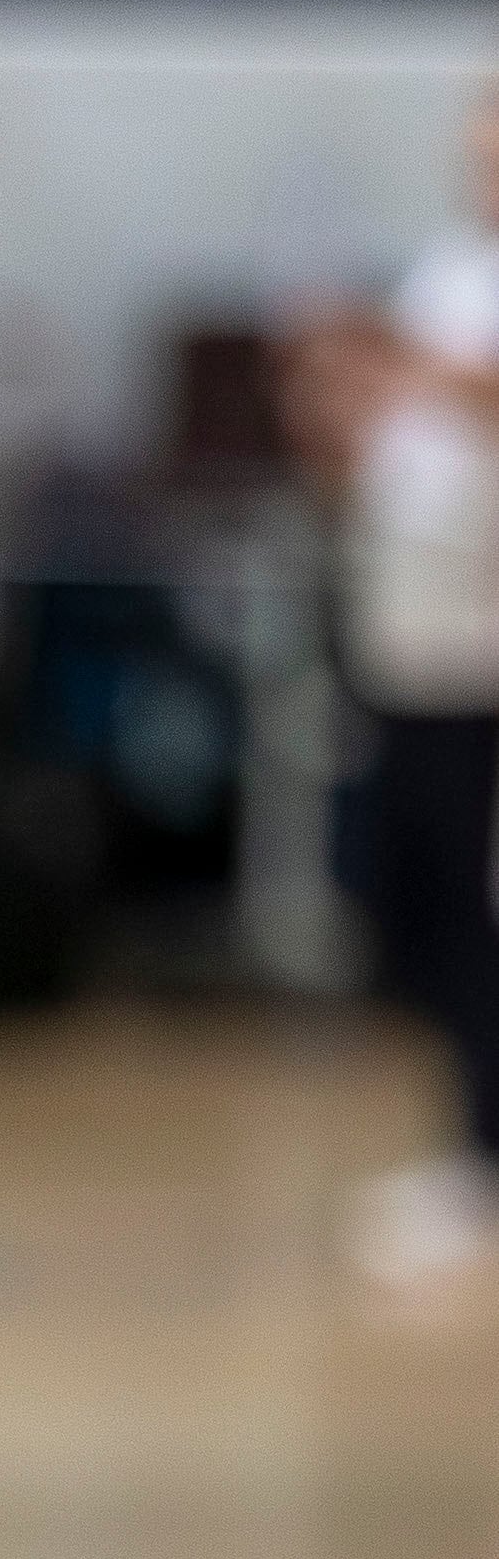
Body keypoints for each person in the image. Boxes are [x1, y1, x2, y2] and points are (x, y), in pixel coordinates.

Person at [288, 77, 499, 1287]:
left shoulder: (445, 313)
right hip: (407, 642)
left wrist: (407, 363)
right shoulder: (446, 275)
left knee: (479, 919)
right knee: (413, 907)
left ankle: (483, 1147)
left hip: (483, 654)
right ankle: (465, 1134)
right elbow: (393, 433)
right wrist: (336, 401)